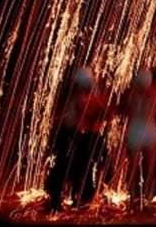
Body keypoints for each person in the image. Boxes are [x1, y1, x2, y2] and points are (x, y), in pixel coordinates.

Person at [45, 67, 108, 211]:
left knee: (74, 166)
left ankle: (71, 197)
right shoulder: (80, 95)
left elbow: (95, 112)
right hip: (74, 134)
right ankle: (70, 198)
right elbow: (89, 111)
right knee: (76, 166)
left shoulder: (73, 94)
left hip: (73, 134)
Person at [121, 68, 156, 210]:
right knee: (150, 167)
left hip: (134, 130)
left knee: (133, 167)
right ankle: (148, 199)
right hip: (149, 129)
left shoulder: (130, 94)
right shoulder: (155, 94)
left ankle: (132, 198)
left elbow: (123, 110)